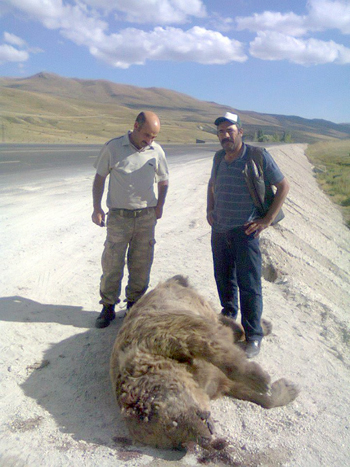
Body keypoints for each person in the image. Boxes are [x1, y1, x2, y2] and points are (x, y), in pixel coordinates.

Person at [207, 112, 289, 358]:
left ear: (240, 132)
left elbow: (283, 185)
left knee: (249, 285)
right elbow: (212, 184)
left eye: (229, 130)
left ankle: (253, 335)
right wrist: (209, 209)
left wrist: (267, 219)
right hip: (220, 231)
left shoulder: (257, 155)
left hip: (245, 232)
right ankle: (229, 319)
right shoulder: (219, 157)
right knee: (223, 278)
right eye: (221, 131)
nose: (225, 135)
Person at [92, 111, 169, 328]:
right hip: (119, 217)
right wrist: (97, 208)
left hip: (146, 217)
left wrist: (160, 205)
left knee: (141, 264)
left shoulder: (157, 151)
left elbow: (163, 180)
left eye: (154, 136)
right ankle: (107, 306)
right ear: (135, 126)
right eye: (146, 135)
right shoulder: (113, 147)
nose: (149, 140)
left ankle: (133, 306)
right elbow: (99, 178)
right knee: (112, 263)